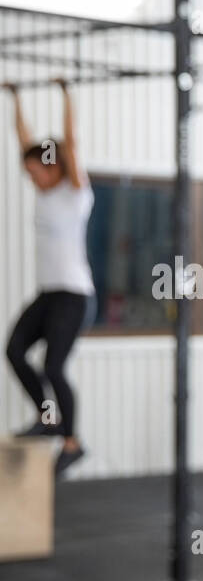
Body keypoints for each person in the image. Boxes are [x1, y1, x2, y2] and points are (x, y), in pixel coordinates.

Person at [4, 79, 93, 476]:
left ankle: (72, 443)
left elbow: (70, 143)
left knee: (54, 367)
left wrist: (65, 94)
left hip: (74, 295)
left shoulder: (75, 193)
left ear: (53, 166)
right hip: (48, 293)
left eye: (35, 171)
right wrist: (15, 99)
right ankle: (47, 418)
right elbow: (22, 137)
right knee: (15, 350)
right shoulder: (43, 194)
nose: (31, 179)